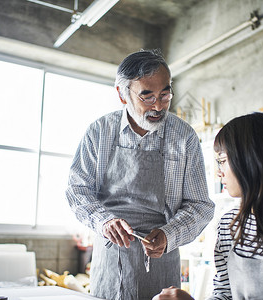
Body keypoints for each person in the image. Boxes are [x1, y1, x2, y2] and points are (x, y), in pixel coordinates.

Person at [65, 49, 215, 300]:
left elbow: (200, 205)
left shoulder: (184, 137)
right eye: (147, 97)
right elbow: (77, 190)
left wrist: (170, 235)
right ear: (122, 95)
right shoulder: (100, 132)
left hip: (162, 260)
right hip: (110, 259)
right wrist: (104, 221)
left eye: (165, 94)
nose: (158, 106)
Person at [153, 112, 263, 300]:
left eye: (222, 161)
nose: (219, 173)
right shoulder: (229, 225)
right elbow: (224, 294)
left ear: (251, 161)